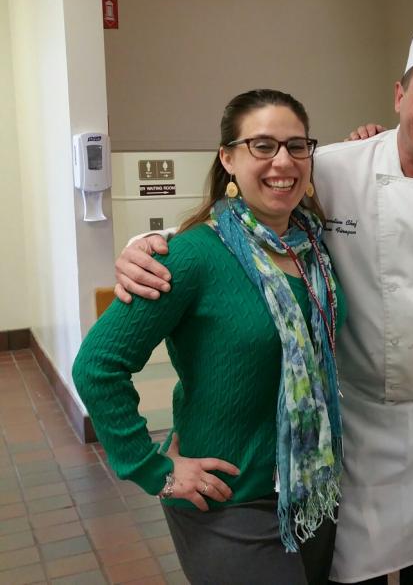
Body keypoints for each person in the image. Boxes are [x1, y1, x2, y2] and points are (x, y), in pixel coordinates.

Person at [113, 0, 413, 585]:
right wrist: (145, 249)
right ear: (398, 95)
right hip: (346, 434)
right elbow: (239, 217)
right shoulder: (332, 168)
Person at [73, 89, 343, 584]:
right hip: (229, 500)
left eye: (296, 145)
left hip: (311, 489)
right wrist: (153, 469)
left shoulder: (315, 249)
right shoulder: (191, 256)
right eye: (262, 145)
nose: (282, 161)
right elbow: (97, 366)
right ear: (228, 158)